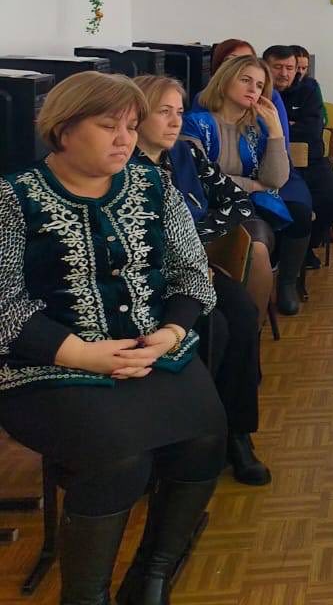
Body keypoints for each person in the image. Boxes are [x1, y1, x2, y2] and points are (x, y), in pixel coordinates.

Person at [0, 72, 223, 605]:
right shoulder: (13, 198)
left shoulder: (152, 185)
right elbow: (3, 303)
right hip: (46, 365)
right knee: (118, 459)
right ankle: (86, 596)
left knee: (206, 439)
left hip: (153, 351)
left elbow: (193, 273)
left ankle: (151, 578)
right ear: (63, 130)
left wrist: (171, 332)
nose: (125, 139)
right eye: (108, 126)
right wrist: (81, 353)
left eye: (131, 126)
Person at [134, 75, 271, 487]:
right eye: (164, 112)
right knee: (214, 327)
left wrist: (193, 241)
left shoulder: (186, 154)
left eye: (179, 111)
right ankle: (190, 436)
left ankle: (237, 434)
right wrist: (185, 252)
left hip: (195, 267)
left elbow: (236, 201)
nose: (175, 121)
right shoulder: (122, 163)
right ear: (135, 116)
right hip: (148, 279)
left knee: (243, 314)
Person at [184, 56, 313, 316]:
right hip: (201, 208)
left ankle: (252, 328)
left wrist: (276, 131)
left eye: (259, 85)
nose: (253, 89)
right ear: (224, 81)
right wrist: (252, 184)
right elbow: (199, 178)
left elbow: (275, 180)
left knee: (258, 248)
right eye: (245, 80)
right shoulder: (195, 123)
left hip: (243, 208)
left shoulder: (258, 127)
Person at [265, 45, 333, 266]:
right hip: (270, 163)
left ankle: (306, 247)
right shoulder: (260, 92)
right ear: (265, 67)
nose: (284, 73)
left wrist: (279, 128)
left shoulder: (309, 88)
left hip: (311, 161)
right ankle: (282, 251)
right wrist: (289, 126)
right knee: (286, 207)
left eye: (290, 68)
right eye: (278, 67)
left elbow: (311, 130)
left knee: (332, 203)